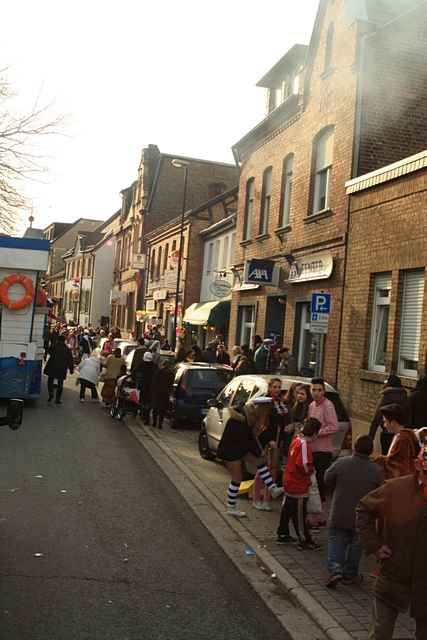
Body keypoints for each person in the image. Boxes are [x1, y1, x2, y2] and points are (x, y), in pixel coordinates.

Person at [356, 445, 427, 640]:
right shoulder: (397, 488)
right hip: (394, 576)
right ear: (418, 465)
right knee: (381, 633)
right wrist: (374, 545)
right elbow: (364, 508)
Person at [324, 435, 384, 588]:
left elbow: (327, 478)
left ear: (354, 447)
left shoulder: (341, 463)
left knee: (336, 539)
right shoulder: (376, 471)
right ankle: (350, 574)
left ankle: (335, 569)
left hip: (340, 510)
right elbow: (381, 493)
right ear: (371, 451)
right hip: (362, 515)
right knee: (357, 544)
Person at [217, 398, 284, 518]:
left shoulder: (248, 416)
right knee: (237, 478)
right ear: (259, 409)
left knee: (260, 461)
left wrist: (258, 452)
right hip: (230, 450)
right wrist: (258, 451)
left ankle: (272, 488)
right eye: (265, 412)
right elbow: (247, 441)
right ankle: (230, 507)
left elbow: (250, 440)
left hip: (239, 447)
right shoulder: (240, 420)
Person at [277, 417, 321, 549]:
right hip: (298, 483)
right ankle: (304, 539)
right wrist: (312, 470)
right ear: (314, 433)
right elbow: (303, 465)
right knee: (299, 513)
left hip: (289, 479)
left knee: (287, 508)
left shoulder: (296, 440)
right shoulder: (304, 445)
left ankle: (283, 532)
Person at [253, 379, 291, 510]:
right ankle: (256, 498)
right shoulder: (264, 402)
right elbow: (261, 424)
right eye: (274, 387)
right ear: (269, 388)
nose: (277, 389)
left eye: (279, 387)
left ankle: (267, 500)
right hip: (267, 440)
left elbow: (284, 421)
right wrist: (269, 439)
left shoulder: (282, 403)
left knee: (274, 470)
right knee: (262, 469)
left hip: (279, 440)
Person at [308, 378, 339, 504]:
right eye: (313, 390)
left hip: (323, 450)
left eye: (319, 390)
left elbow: (334, 426)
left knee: (320, 481)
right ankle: (313, 509)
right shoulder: (311, 405)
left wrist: (317, 433)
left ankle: (320, 511)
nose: (316, 393)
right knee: (312, 481)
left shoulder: (328, 405)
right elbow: (310, 425)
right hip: (312, 448)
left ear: (324, 392)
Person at [374, 403, 419, 480]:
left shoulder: (403, 439)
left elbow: (398, 466)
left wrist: (379, 460)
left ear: (393, 422)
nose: (384, 425)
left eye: (385, 421)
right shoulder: (400, 436)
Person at [369, 375, 410, 454]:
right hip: (402, 433)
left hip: (387, 433)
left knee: (386, 457)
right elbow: (408, 415)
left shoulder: (387, 396)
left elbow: (377, 417)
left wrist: (371, 437)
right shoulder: (405, 397)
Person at [43, 334, 74, 404]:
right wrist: (71, 369)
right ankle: (58, 399)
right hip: (62, 368)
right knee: (60, 383)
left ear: (58, 340)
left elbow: (49, 351)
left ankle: (51, 394)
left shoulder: (54, 346)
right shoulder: (67, 349)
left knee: (50, 381)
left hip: (52, 366)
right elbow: (70, 360)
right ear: (64, 341)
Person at [150, 362, 174, 429]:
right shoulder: (171, 373)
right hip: (165, 393)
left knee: (155, 408)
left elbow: (154, 382)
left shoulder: (158, 372)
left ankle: (154, 423)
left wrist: (153, 391)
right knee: (162, 409)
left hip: (157, 392)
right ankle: (160, 424)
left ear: (163, 365)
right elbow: (171, 385)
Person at [139, 351, 157, 424]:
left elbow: (134, 371)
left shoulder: (141, 365)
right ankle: (146, 416)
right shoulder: (155, 366)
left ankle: (143, 415)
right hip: (152, 387)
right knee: (148, 402)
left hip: (143, 386)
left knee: (143, 401)